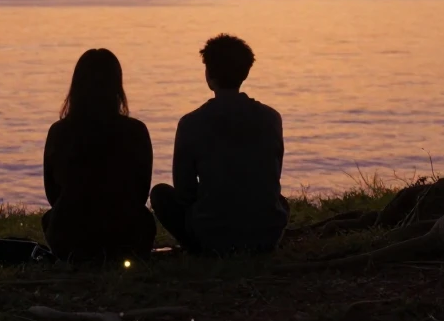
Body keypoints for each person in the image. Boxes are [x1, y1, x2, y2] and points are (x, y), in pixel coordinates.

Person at [150, 34, 289, 255]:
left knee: (160, 194)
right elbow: (273, 174)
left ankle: (199, 248)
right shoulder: (271, 118)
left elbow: (184, 192)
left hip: (212, 237)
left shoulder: (191, 123)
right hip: (266, 237)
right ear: (245, 73)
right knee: (278, 200)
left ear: (208, 74)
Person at [41, 48, 156, 262]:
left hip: (70, 238)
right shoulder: (136, 131)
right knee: (144, 219)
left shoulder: (59, 132)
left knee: (50, 218)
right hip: (128, 237)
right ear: (117, 86)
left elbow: (52, 194)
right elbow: (141, 193)